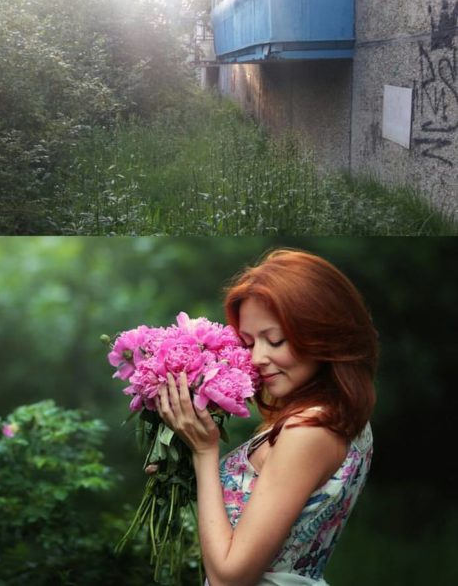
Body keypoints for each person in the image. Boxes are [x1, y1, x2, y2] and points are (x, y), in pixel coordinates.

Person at [156, 248, 378, 586]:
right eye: (248, 342)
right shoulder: (333, 415)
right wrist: (185, 467)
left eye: (275, 340)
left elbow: (230, 577)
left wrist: (205, 453)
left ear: (323, 333)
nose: (258, 357)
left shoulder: (310, 428)